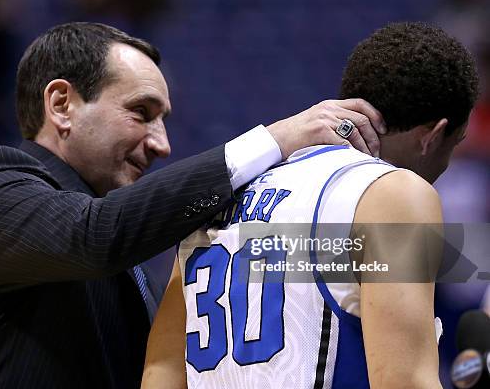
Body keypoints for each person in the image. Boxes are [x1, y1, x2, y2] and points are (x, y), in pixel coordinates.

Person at [0, 22, 385, 388]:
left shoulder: (126, 241)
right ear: (61, 104)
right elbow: (97, 236)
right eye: (141, 112)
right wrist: (274, 139)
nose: (162, 144)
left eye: (163, 120)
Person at [142, 22, 479, 389]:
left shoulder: (218, 195)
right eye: (455, 143)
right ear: (432, 136)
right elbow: (405, 381)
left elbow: (160, 375)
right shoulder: (396, 194)